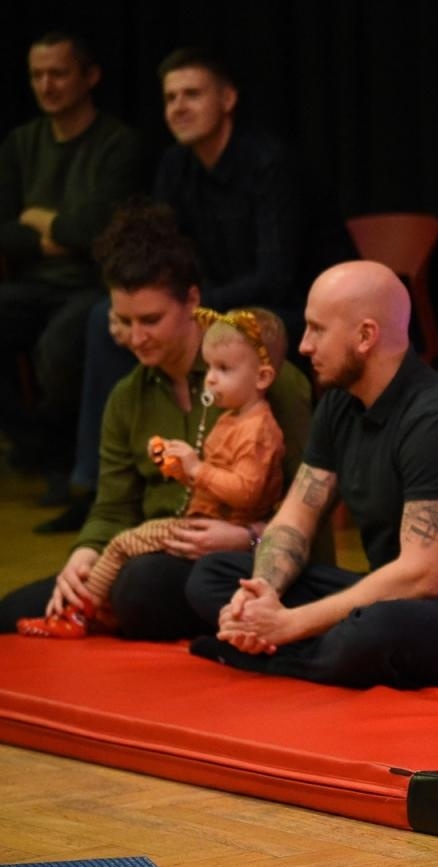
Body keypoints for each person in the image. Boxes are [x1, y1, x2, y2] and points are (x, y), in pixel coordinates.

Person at [185, 260, 438, 689]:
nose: (303, 345)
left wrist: (291, 623)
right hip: (391, 592)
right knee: (212, 577)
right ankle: (296, 646)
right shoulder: (341, 402)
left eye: (317, 329)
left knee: (371, 634)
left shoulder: (437, 420)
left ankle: (268, 655)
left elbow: (421, 576)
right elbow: (297, 517)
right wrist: (261, 593)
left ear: (366, 336)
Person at [0, 202, 310, 640]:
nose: (136, 337)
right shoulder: (128, 397)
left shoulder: (268, 379)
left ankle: (120, 611)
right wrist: (86, 553)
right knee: (11, 613)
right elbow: (113, 507)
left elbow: (312, 496)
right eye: (123, 321)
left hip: (246, 562)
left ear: (193, 301)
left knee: (139, 588)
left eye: (151, 320)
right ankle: (101, 607)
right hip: (152, 554)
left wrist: (249, 538)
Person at [46, 45, 304, 533]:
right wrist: (135, 315)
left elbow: (277, 273)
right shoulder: (174, 165)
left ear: (228, 99)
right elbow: (161, 253)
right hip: (203, 303)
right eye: (169, 98)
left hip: (278, 306)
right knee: (105, 318)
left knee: (225, 335)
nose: (178, 107)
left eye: (192, 94)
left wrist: (196, 310)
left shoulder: (268, 162)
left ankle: (225, 487)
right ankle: (104, 484)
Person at [18, 308, 285, 638]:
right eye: (210, 368)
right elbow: (121, 502)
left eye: (223, 369)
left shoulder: (258, 429)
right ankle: (93, 605)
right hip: (200, 524)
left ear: (262, 378)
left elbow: (247, 489)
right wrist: (176, 466)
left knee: (122, 546)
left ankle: (81, 613)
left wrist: (197, 469)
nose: (211, 378)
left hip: (222, 533)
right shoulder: (229, 416)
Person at [0, 31, 142, 500]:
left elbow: (100, 230)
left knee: (61, 349)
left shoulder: (117, 143)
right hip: (31, 283)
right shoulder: (21, 144)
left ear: (89, 77)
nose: (46, 85)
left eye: (58, 73)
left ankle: (69, 465)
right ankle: (35, 444)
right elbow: (5, 231)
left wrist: (42, 222)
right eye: (37, 75)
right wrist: (58, 236)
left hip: (93, 285)